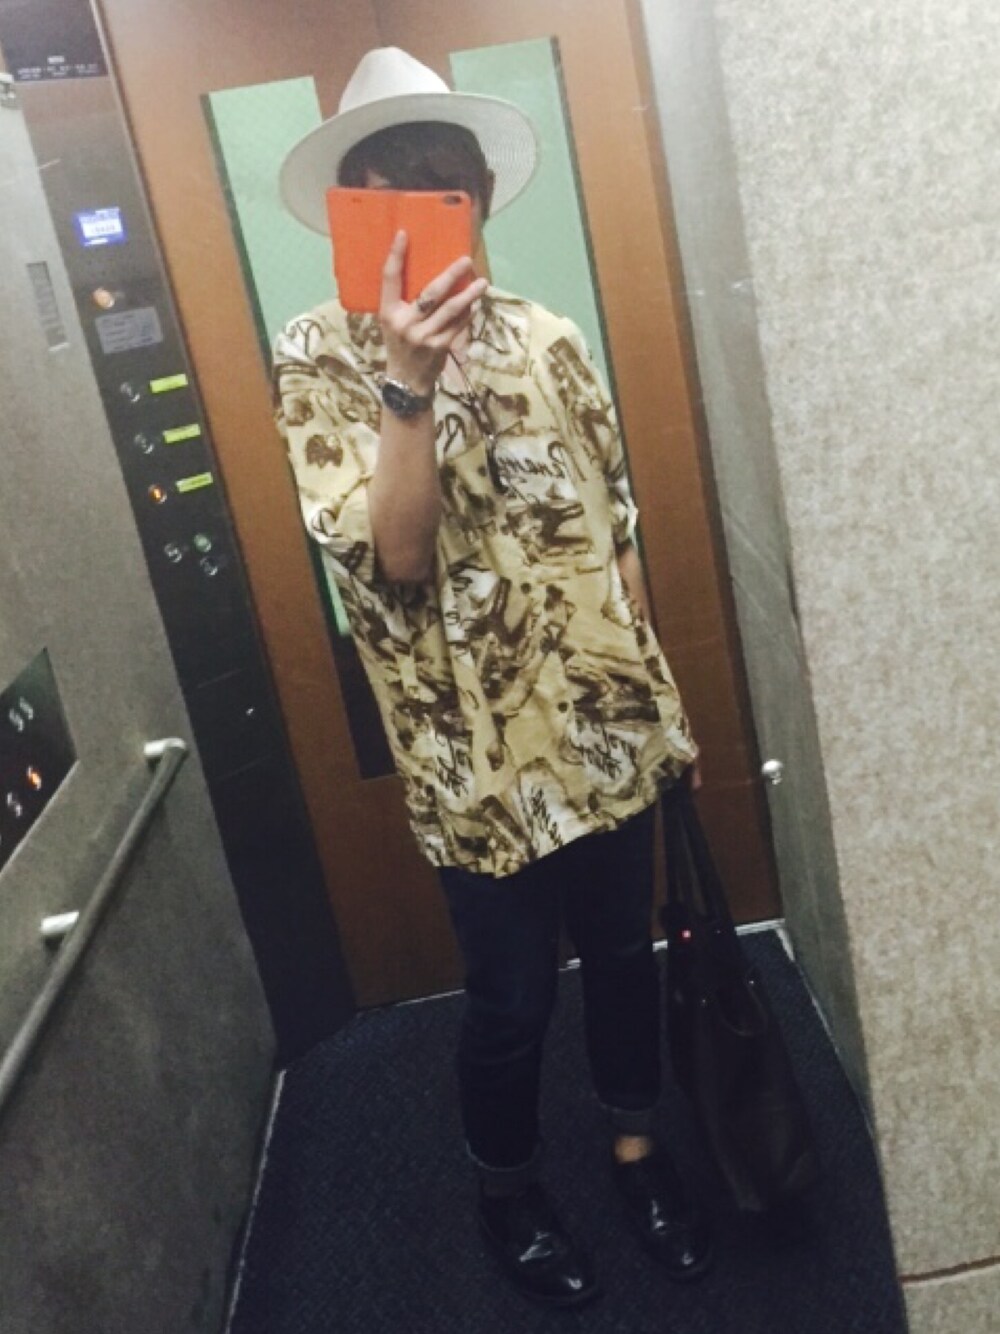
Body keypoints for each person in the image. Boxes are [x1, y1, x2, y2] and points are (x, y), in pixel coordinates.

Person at [275, 46, 713, 1308]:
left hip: (602, 723)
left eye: (446, 186)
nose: (427, 209)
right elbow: (398, 555)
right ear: (355, 209)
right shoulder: (319, 356)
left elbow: (615, 521)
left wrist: (651, 690)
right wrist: (407, 386)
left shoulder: (546, 336)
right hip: (469, 757)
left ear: (471, 203)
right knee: (511, 998)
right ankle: (506, 1187)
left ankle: (634, 1148)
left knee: (622, 956)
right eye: (394, 187)